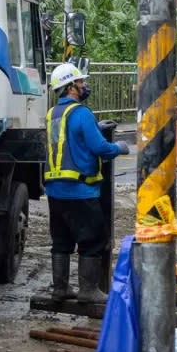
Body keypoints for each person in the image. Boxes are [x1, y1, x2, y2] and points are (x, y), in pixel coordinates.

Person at [45, 63, 129, 304]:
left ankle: (60, 288)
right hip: (80, 192)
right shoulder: (82, 113)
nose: (84, 86)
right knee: (92, 239)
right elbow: (99, 148)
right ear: (71, 87)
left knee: (61, 240)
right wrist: (119, 148)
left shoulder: (54, 114)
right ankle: (89, 290)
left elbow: (68, 140)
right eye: (80, 82)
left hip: (55, 191)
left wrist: (95, 127)